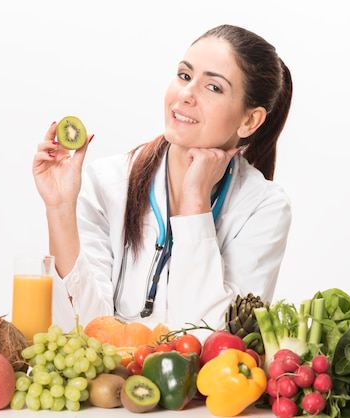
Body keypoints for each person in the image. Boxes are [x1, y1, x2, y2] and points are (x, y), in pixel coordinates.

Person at [33, 24, 293, 340]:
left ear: (249, 120)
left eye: (213, 87)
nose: (185, 94)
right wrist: (60, 208)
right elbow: (81, 329)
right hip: (111, 387)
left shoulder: (264, 208)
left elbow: (212, 341)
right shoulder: (108, 182)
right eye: (185, 76)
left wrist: (194, 204)